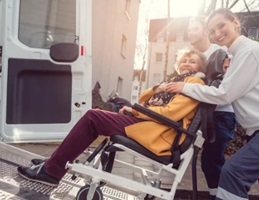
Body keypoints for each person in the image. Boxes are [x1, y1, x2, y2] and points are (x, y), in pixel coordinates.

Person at [17, 48, 207, 187]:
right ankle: (54, 162)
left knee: (93, 117)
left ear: (200, 67)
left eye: (192, 61)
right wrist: (158, 88)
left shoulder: (194, 83)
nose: (186, 63)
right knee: (94, 118)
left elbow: (170, 114)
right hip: (148, 123)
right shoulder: (175, 82)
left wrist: (134, 111)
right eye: (184, 60)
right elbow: (143, 98)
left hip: (159, 133)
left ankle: (52, 171)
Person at [166, 8, 259, 200]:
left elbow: (224, 94)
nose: (217, 33)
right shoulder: (236, 56)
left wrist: (184, 87)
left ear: (235, 23)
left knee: (233, 172)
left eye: (221, 26)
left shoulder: (249, 51)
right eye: (212, 30)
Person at [188, 15, 236, 199]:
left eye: (194, 29)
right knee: (207, 162)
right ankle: (218, 195)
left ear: (206, 32)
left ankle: (225, 195)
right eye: (189, 30)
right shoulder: (194, 57)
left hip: (221, 114)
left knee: (211, 161)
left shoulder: (220, 52)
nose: (190, 33)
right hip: (202, 115)